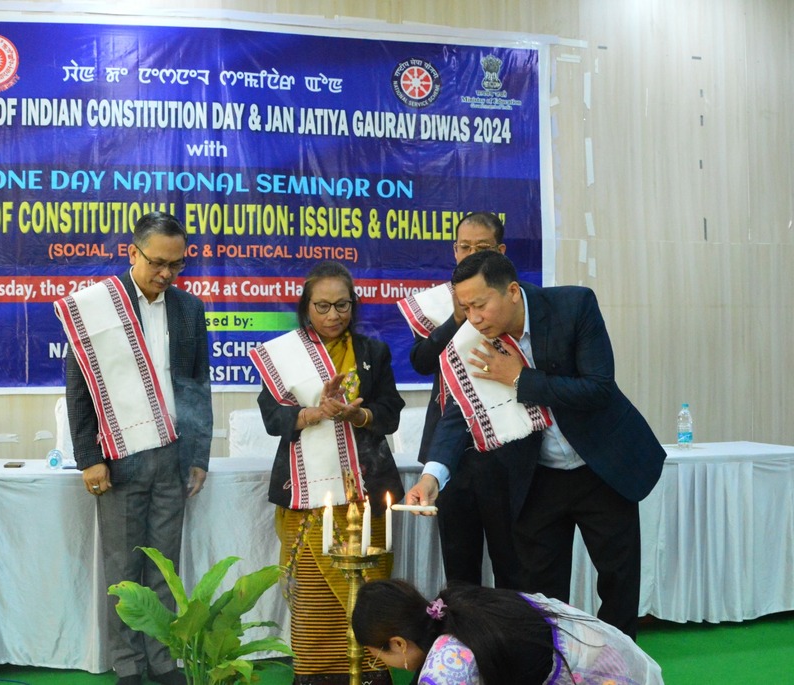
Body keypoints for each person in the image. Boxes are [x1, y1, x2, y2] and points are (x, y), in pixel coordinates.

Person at [407, 251, 666, 639]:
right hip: (538, 474)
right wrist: (432, 476)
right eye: (465, 308)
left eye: (480, 305)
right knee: (540, 592)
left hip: (600, 466)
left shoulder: (573, 306)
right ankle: (550, 662)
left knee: (618, 579)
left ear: (512, 291)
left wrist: (520, 379)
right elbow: (460, 413)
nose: (473, 318)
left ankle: (619, 661)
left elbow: (598, 388)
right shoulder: (472, 340)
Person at [56, 211, 211, 685]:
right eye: (157, 262)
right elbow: (79, 389)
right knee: (123, 568)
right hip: (119, 458)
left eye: (176, 265)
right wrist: (90, 459)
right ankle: (128, 664)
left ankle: (163, 660)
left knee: (164, 567)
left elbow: (198, 383)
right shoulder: (98, 308)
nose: (166, 273)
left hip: (173, 455)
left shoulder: (189, 308)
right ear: (132, 252)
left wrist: (199, 455)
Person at [250, 261, 405, 685]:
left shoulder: (373, 352)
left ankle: (372, 671)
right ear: (306, 307)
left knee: (369, 586)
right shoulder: (285, 356)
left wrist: (360, 416)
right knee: (314, 593)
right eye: (323, 306)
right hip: (306, 493)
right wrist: (314, 413)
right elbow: (273, 417)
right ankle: (316, 672)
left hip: (364, 488)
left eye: (342, 305)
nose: (334, 315)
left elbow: (391, 411)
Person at [398, 212, 523, 588]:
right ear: (454, 250)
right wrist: (455, 320)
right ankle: (462, 626)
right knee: (459, 565)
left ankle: (510, 625)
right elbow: (422, 362)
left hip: (506, 446)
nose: (471, 253)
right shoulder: (439, 304)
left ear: (501, 251)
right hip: (450, 448)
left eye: (481, 247)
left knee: (512, 561)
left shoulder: (510, 299)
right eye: (464, 247)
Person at [351, 579, 665, 685]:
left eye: (378, 657)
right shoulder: (453, 605)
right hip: (599, 656)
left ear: (398, 643)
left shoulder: (444, 667)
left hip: (598, 674)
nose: (382, 664)